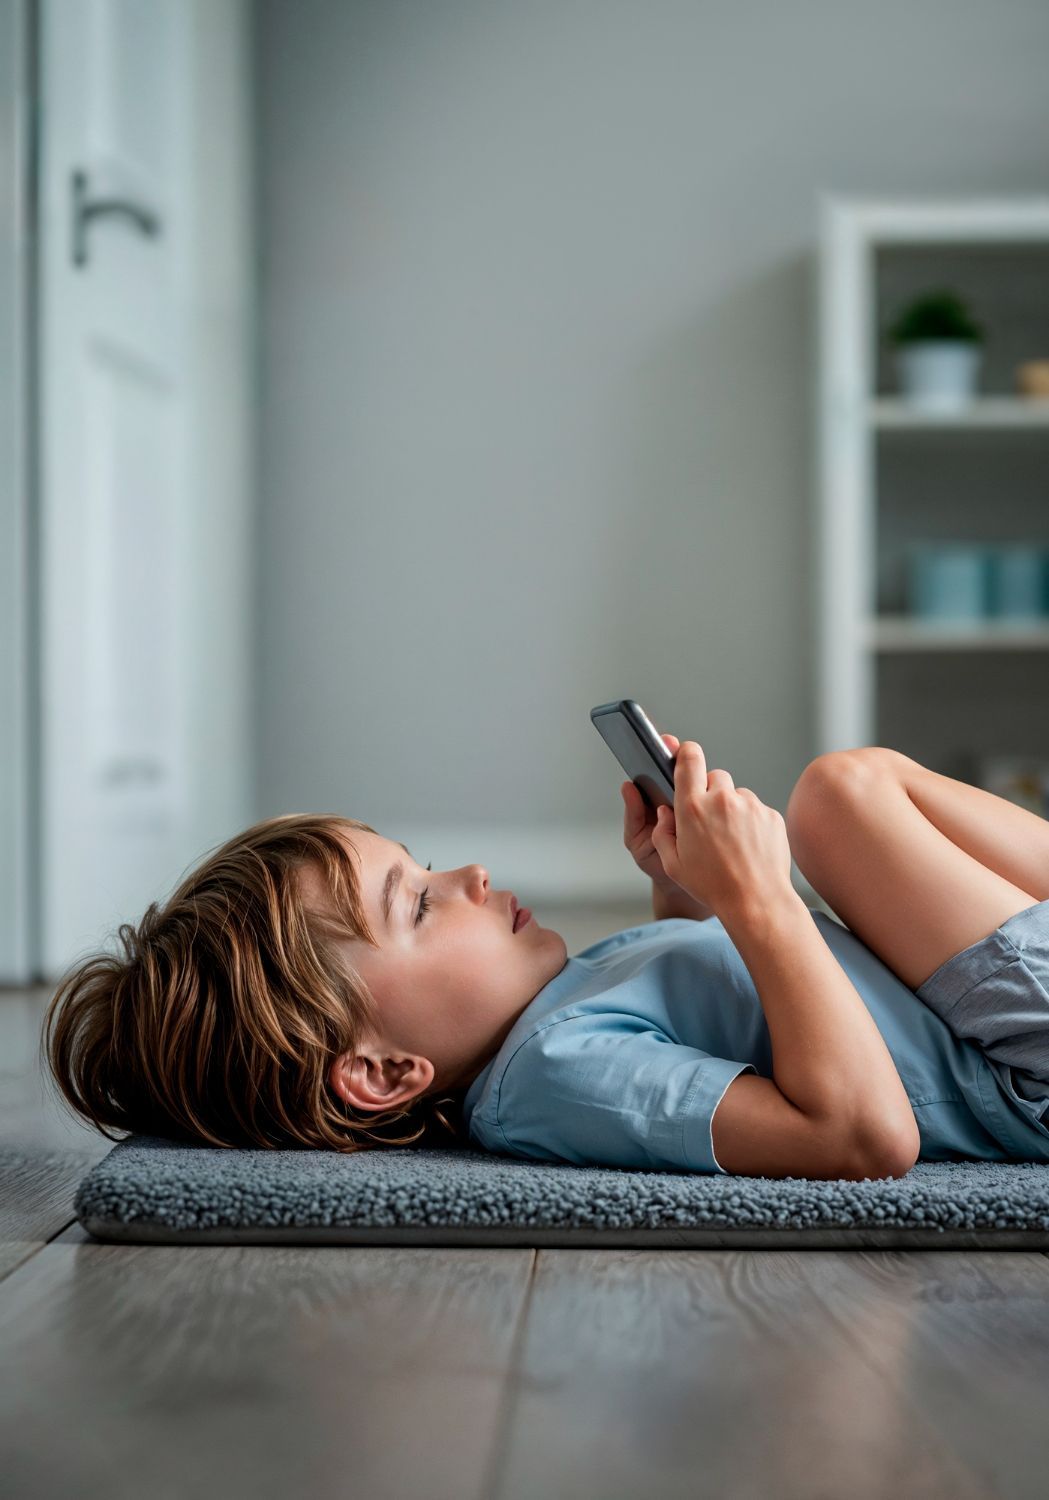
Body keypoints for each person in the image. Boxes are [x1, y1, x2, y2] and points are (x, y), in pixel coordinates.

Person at [42, 737, 1049, 1179]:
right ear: (382, 1072)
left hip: (987, 1018)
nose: (470, 876)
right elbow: (863, 1137)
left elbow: (730, 1016)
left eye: (425, 868)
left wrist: (686, 895)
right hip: (1018, 1068)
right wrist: (759, 900)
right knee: (839, 796)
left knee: (843, 794)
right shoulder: (553, 1079)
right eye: (421, 906)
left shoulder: (548, 1022)